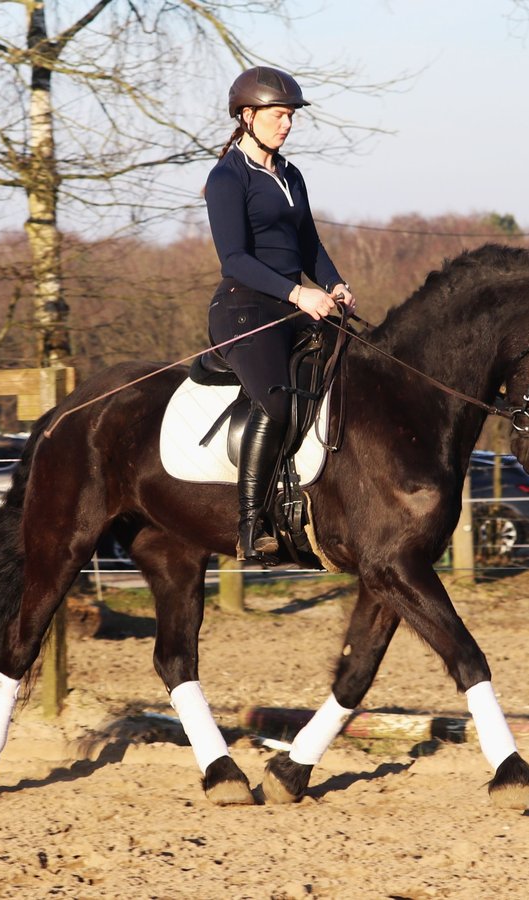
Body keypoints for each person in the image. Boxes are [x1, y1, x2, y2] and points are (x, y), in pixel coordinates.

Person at [205, 66, 356, 564]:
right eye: (277, 115)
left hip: (295, 304)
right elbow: (235, 259)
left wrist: (332, 283)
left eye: (290, 116)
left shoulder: (291, 175)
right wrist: (298, 295)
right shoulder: (227, 176)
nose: (286, 123)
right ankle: (252, 524)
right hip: (245, 307)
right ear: (247, 116)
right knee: (276, 403)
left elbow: (309, 243)